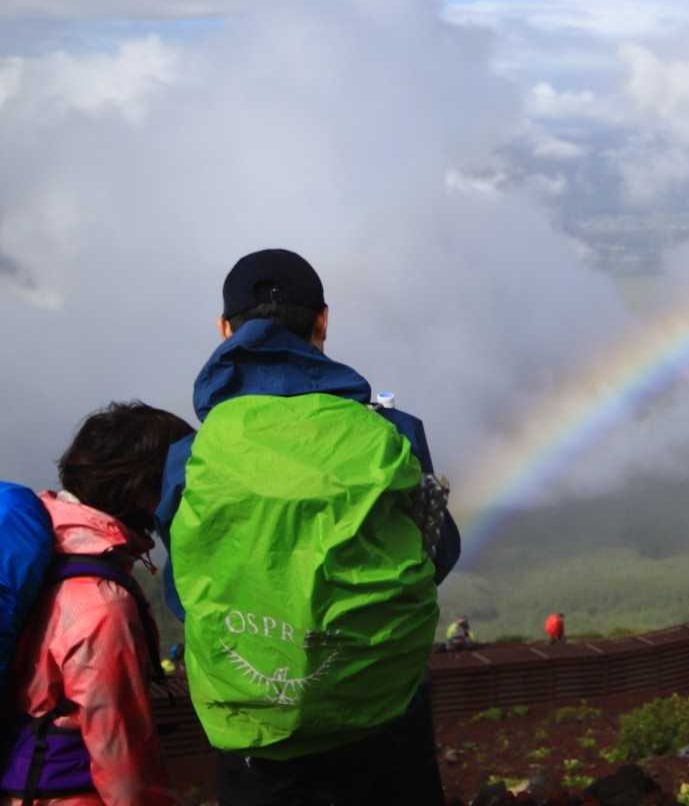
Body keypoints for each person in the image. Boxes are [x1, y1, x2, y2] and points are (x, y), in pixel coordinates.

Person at [154, 248, 461, 806]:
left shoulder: (191, 456)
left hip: (253, 733)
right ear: (323, 321)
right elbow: (437, 556)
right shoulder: (392, 433)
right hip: (383, 719)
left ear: (224, 329)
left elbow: (182, 592)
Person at [3, 402, 192, 806]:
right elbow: (122, 759)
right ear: (144, 490)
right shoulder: (102, 602)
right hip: (70, 793)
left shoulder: (42, 549)